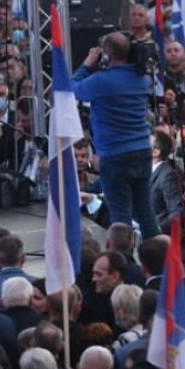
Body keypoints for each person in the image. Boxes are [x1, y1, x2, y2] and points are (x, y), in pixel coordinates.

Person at [70, 32, 159, 239]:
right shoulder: (143, 79)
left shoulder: (101, 81)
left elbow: (71, 89)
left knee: (120, 217)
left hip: (115, 156)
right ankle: (156, 254)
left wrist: (87, 64)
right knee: (145, 212)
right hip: (142, 151)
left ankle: (123, 256)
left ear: (106, 54)